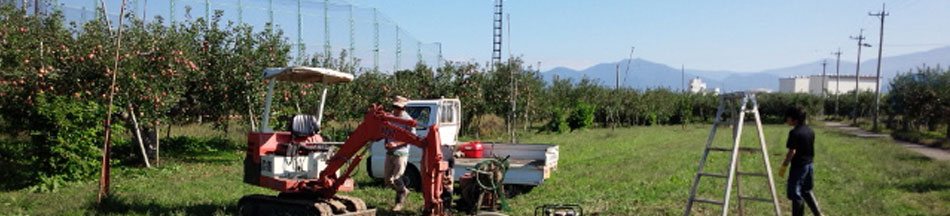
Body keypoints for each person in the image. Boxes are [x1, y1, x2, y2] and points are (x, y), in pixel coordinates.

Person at [778, 107, 823, 216]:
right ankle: (818, 214)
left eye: (788, 118)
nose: (787, 120)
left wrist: (784, 165)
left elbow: (792, 152)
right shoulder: (810, 130)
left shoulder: (794, 133)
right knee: (806, 191)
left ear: (795, 119)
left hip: (798, 167)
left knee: (795, 194)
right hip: (809, 165)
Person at [384, 95, 414, 211]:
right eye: (395, 107)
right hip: (390, 152)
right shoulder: (391, 117)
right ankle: (404, 190)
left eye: (398, 108)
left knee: (397, 178)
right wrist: (386, 142)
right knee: (387, 180)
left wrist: (396, 144)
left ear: (403, 108)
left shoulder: (408, 120)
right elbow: (388, 131)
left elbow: (411, 138)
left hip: (401, 153)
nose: (396, 109)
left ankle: (399, 203)